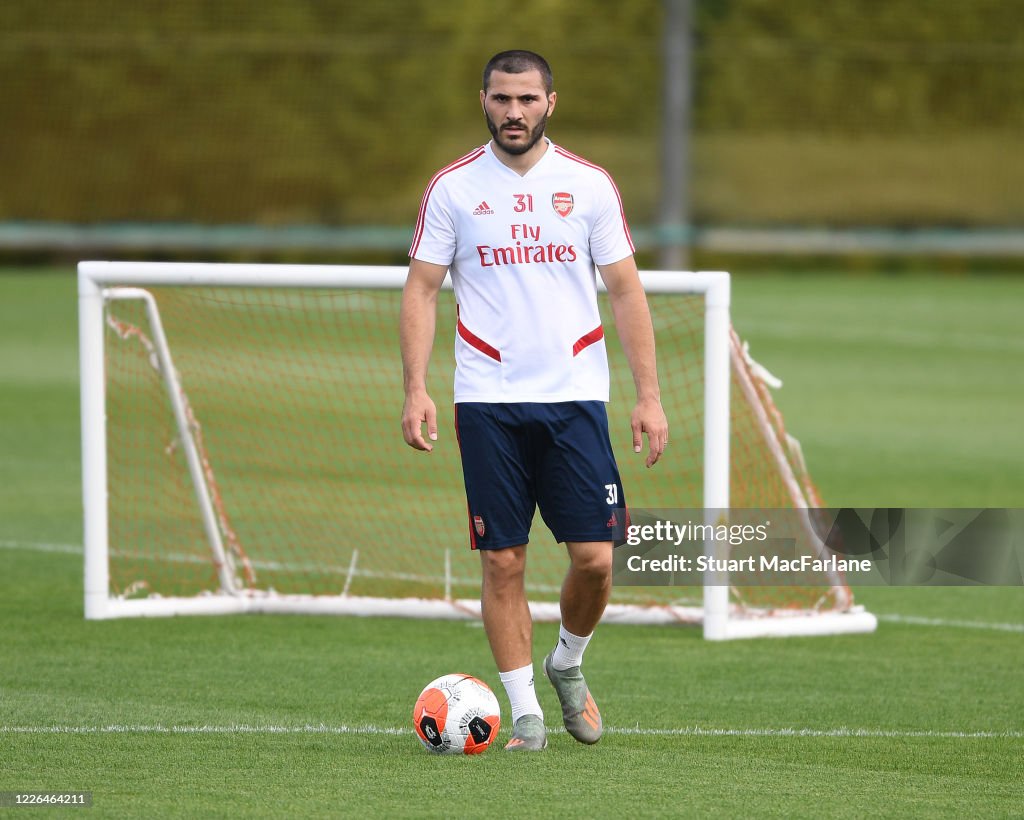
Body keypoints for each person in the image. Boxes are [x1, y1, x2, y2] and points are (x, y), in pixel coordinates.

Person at [400, 49, 667, 752]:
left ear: (551, 101)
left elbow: (627, 290)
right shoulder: (454, 188)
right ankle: (525, 715)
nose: (512, 111)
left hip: (576, 398)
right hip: (487, 401)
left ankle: (567, 663)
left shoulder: (588, 185)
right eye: (500, 98)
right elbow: (423, 287)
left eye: (526, 99)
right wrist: (416, 387)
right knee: (503, 562)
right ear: (482, 100)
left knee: (596, 559)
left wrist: (649, 397)